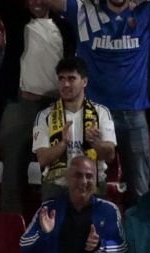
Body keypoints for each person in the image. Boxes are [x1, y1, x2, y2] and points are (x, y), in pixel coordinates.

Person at [48, 0, 150, 201]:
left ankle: (138, 232)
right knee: (87, 189)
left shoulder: (147, 14)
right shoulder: (84, 12)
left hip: (133, 115)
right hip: (93, 117)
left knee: (142, 191)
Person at [0, 0, 71, 213]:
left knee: (56, 176)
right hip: (22, 106)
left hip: (54, 110)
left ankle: (51, 230)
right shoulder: (17, 21)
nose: (37, 2)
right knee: (12, 174)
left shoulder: (65, 27)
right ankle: (11, 231)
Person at [32, 56, 116, 201]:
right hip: (57, 186)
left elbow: (110, 155)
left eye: (71, 79)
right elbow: (42, 159)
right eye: (61, 79)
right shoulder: (45, 115)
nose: (65, 84)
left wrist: (95, 143)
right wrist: (62, 144)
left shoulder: (101, 112)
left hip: (91, 185)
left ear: (84, 81)